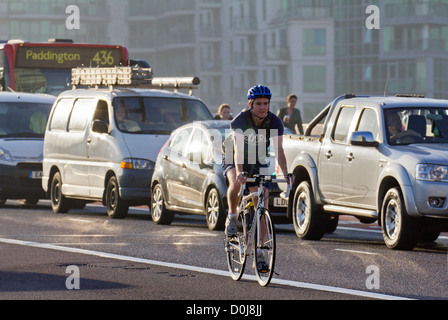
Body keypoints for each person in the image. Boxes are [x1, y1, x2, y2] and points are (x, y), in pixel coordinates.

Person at [223, 85, 292, 241]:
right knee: (236, 183)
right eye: (259, 103)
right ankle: (232, 216)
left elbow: (279, 151)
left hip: (255, 157)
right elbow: (238, 151)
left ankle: (262, 246)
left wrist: (286, 173)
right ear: (250, 105)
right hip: (232, 153)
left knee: (262, 195)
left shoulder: (274, 122)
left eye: (265, 103)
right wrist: (240, 172)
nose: (263, 107)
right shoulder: (240, 120)